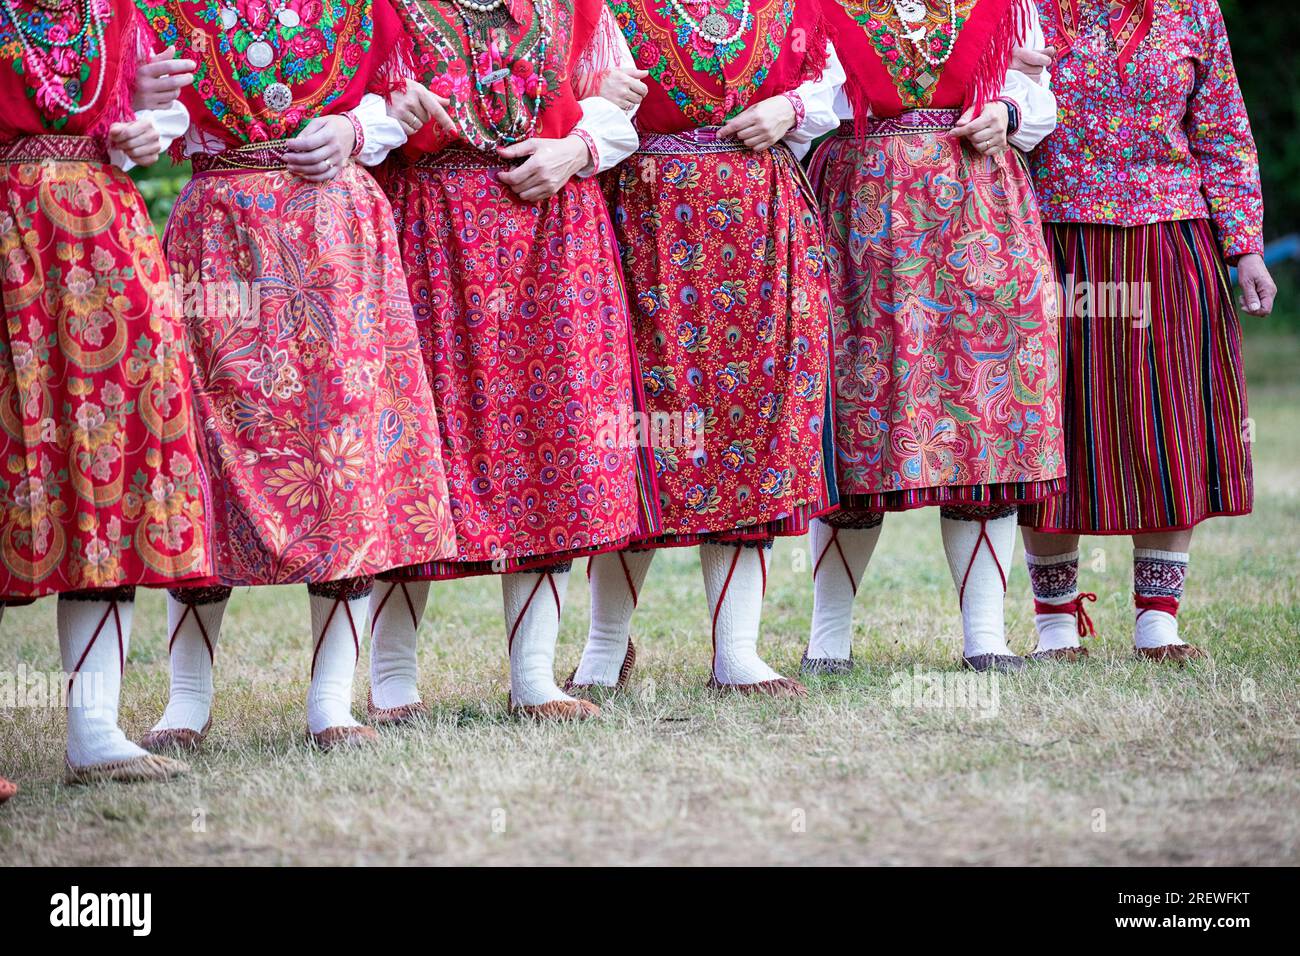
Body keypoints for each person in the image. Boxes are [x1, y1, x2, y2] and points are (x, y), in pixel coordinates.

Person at [131, 0, 457, 750]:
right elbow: (148, 117)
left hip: (334, 236)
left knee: (342, 457)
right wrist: (145, 105)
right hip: (219, 236)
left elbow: (402, 97)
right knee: (209, 450)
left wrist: (353, 128)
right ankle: (186, 699)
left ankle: (330, 702)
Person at [366, 0, 656, 721]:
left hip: (553, 227)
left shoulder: (573, 7)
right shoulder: (387, 9)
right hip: (435, 231)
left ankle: (534, 681)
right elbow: (356, 109)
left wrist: (576, 149)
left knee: (553, 439)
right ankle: (392, 680)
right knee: (425, 444)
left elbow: (619, 105)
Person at [561, 0, 844, 699]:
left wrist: (792, 110)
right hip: (649, 215)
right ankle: (604, 642)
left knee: (755, 421)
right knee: (643, 428)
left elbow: (834, 81)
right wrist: (593, 94)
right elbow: (555, 86)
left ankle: (736, 650)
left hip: (760, 215)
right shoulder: (606, 6)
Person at [801, 0, 1063, 674]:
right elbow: (802, 103)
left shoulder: (1001, 5)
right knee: (859, 424)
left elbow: (1038, 104)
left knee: (983, 417)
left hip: (979, 215)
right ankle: (828, 641)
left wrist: (1006, 113)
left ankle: (986, 638)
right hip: (864, 215)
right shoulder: (821, 6)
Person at [1015, 0, 1276, 663]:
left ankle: (1157, 622)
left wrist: (1245, 247)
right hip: (1054, 242)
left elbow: (1222, 131)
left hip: (1170, 244)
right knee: (1057, 430)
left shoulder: (1194, 10)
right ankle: (1055, 627)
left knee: (1170, 428)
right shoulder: (1025, 9)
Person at [1, 0, 208, 782]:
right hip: (9, 230)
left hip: (105, 241)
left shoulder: (119, 10)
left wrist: (143, 127)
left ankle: (95, 733)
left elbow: (160, 119)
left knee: (110, 463)